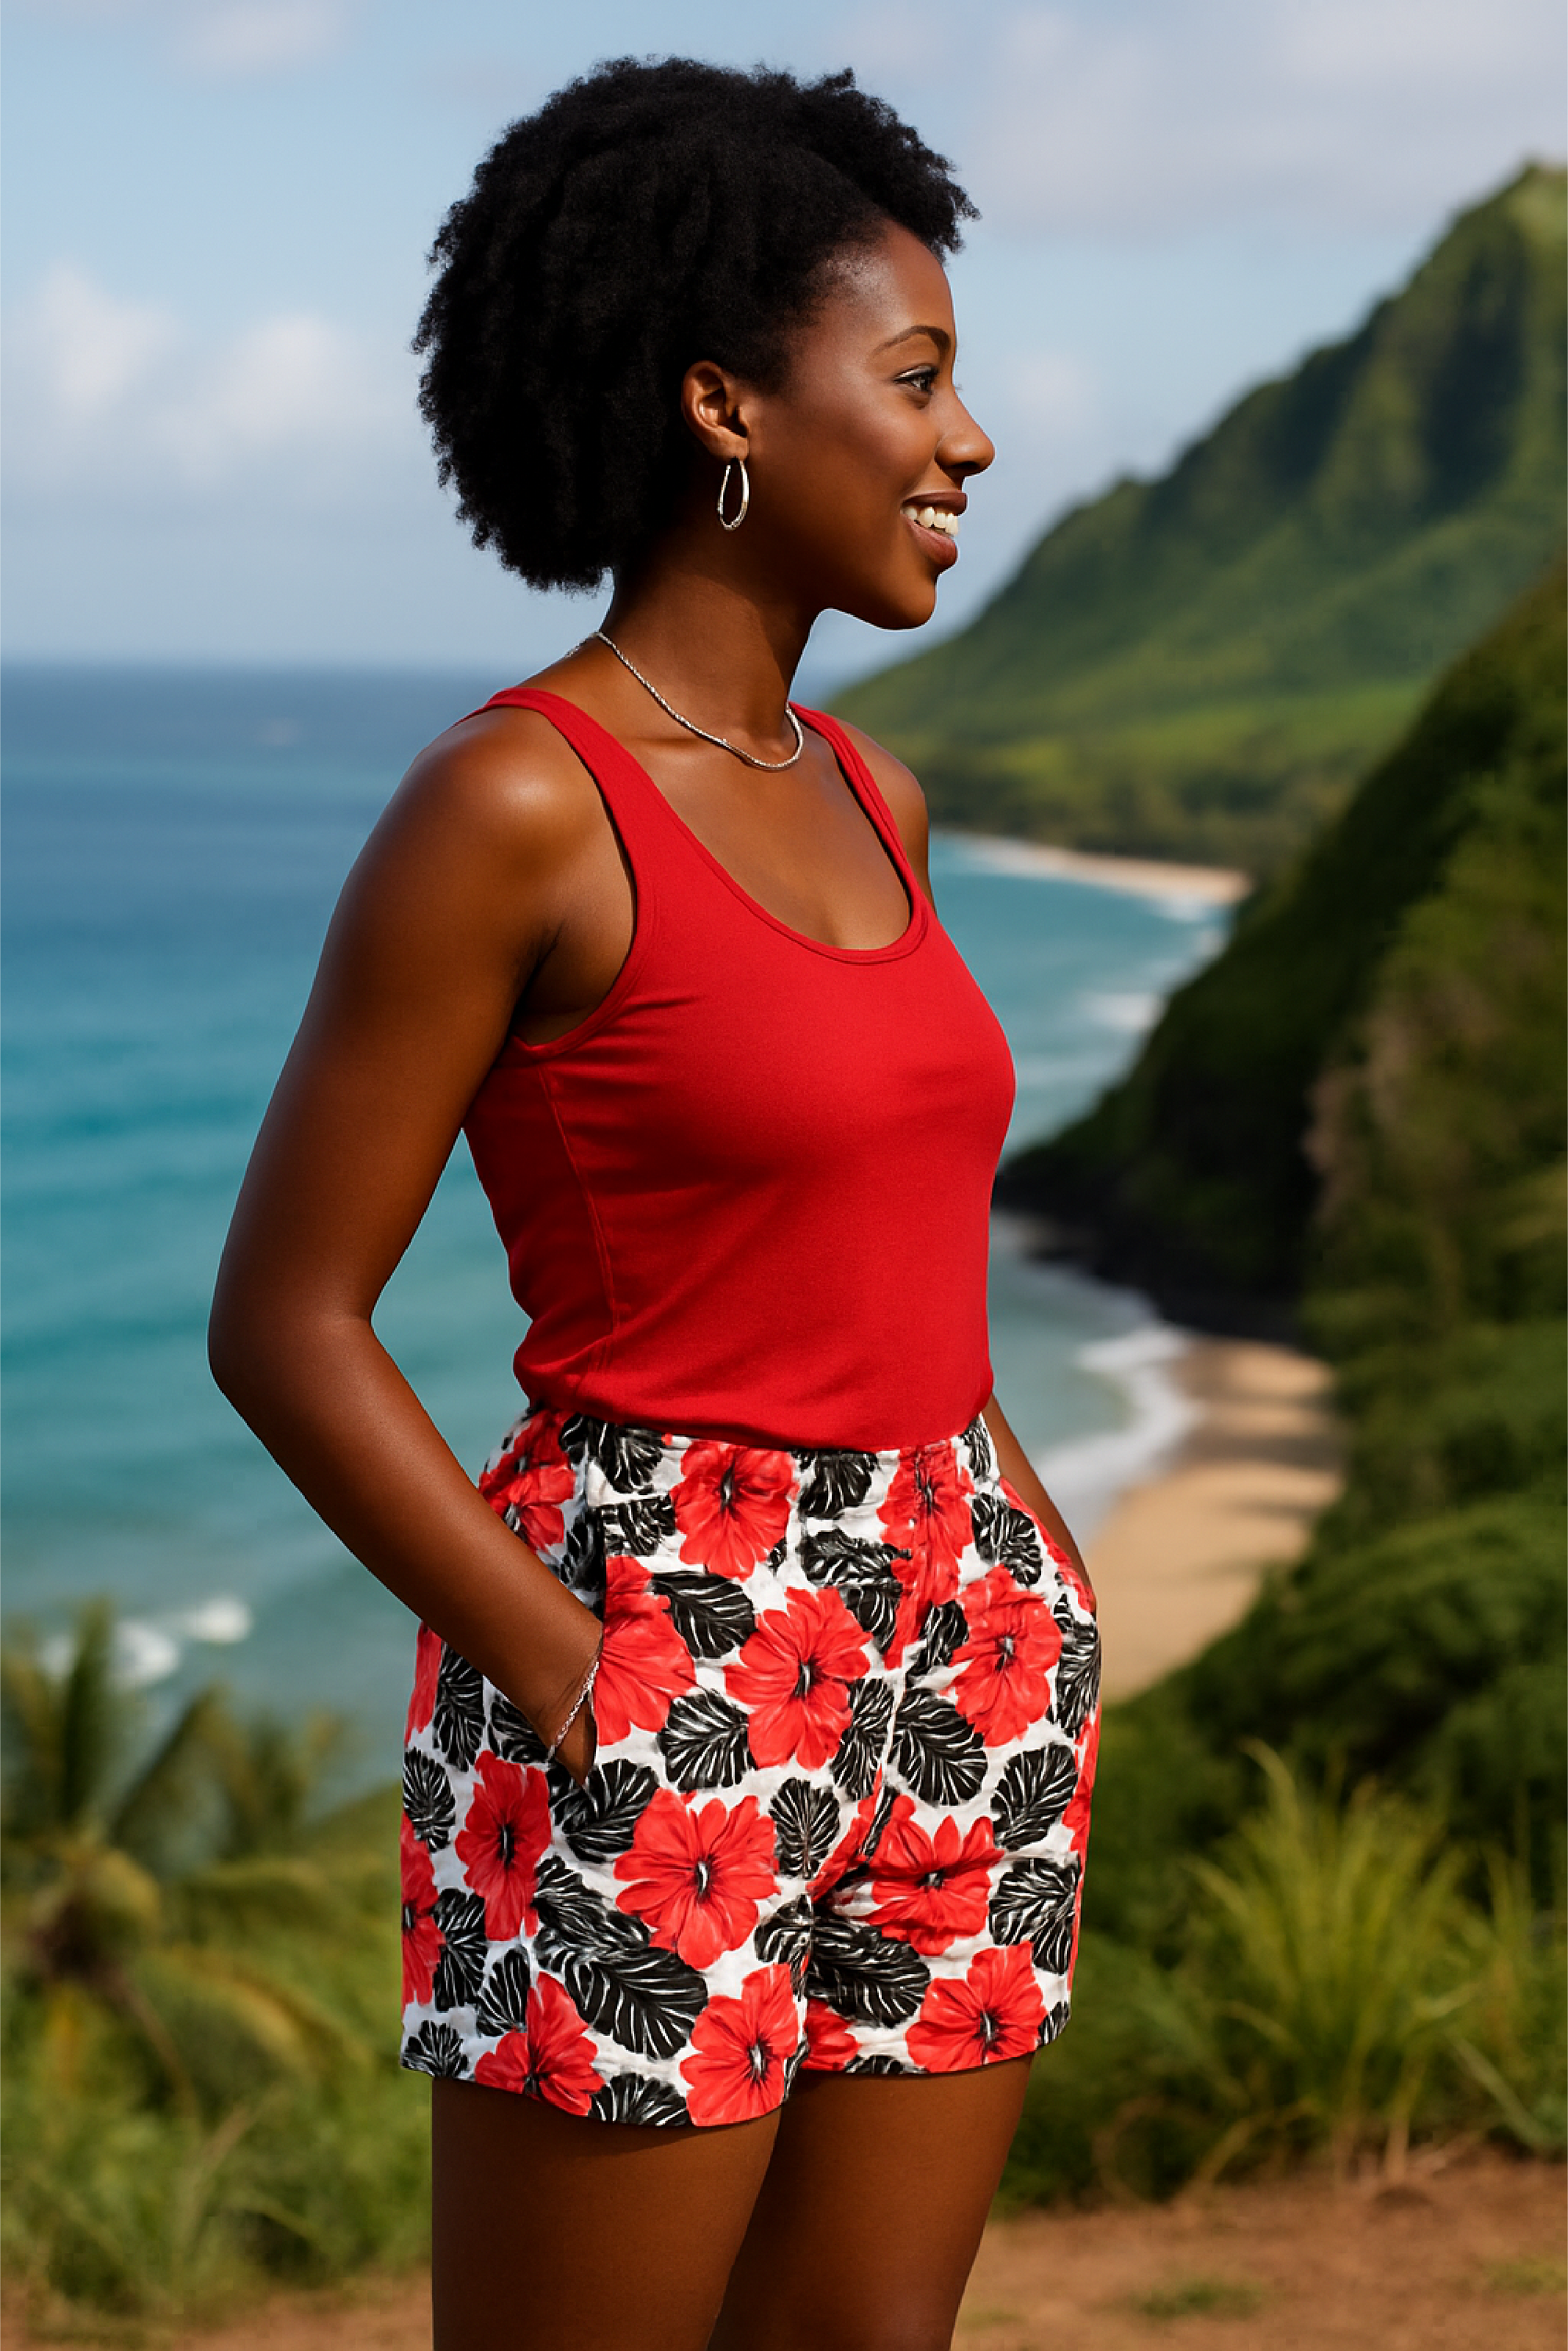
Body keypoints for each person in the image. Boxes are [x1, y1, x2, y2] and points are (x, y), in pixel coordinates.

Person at [209, 56, 1100, 2351]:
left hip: (958, 1630)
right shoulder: (515, 799)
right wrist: (558, 1652)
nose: (968, 440)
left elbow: (880, 1222)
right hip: (662, 1652)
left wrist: (1020, 1539)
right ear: (724, 403)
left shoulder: (874, 790)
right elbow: (287, 1316)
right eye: (914, 379)